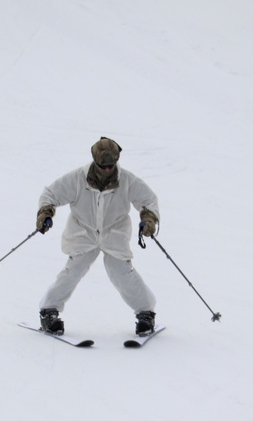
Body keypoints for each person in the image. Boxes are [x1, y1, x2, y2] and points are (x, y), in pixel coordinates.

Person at [35, 137, 160, 337]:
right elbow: (50, 194)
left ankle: (146, 313)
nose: (109, 169)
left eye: (112, 165)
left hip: (114, 232)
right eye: (104, 166)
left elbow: (148, 199)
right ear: (95, 162)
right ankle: (49, 311)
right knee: (73, 270)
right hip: (83, 232)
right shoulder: (78, 178)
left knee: (121, 272)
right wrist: (46, 213)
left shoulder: (126, 180)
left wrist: (149, 219)